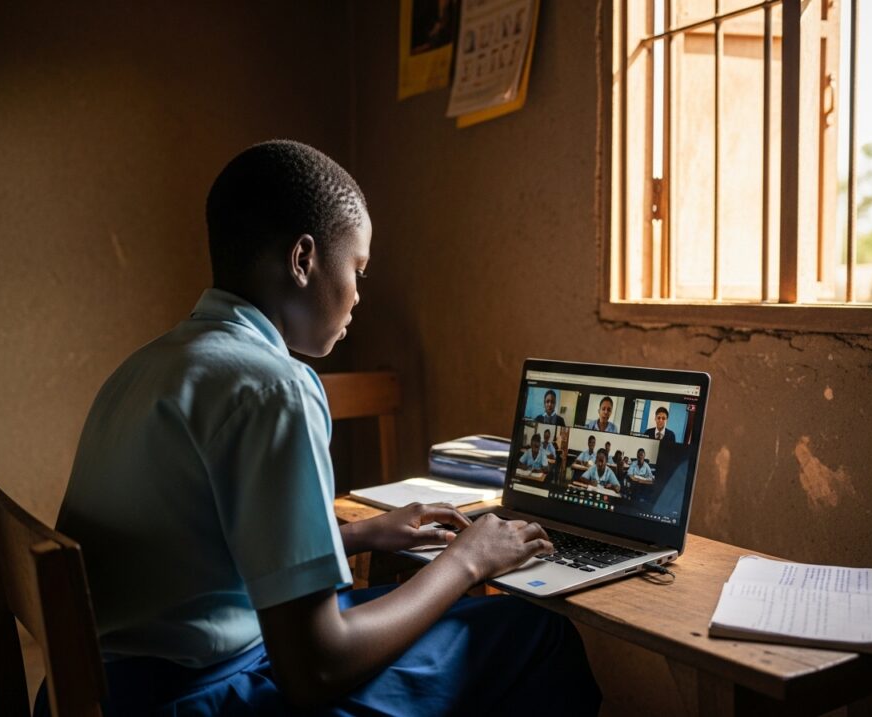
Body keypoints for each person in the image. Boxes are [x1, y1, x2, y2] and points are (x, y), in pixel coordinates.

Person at [42, 141, 600, 717]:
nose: (358, 294)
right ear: (303, 259)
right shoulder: (274, 387)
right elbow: (317, 669)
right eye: (357, 269)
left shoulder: (147, 367)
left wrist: (359, 535)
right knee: (536, 633)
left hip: (102, 689)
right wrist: (467, 560)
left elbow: (193, 552)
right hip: (193, 696)